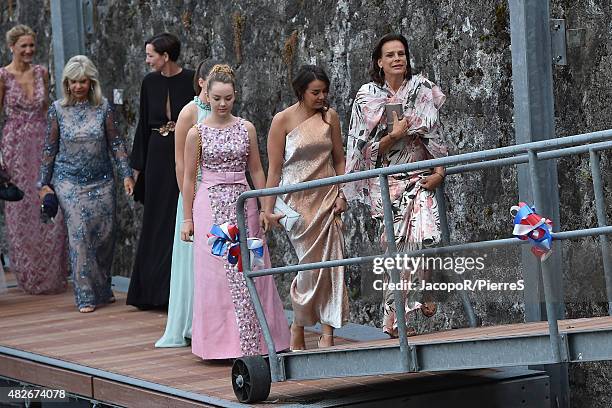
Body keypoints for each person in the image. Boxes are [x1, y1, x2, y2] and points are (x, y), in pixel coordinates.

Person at [181, 64, 290, 359]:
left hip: (244, 203)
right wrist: (188, 218)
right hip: (210, 203)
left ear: (235, 96)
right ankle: (220, 345)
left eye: (227, 98)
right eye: (216, 98)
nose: (222, 104)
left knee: (253, 265)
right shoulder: (196, 133)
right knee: (216, 274)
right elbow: (190, 177)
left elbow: (256, 168)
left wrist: (266, 207)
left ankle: (261, 340)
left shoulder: (247, 127)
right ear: (207, 95)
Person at [345, 33, 448, 337]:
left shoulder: (421, 89)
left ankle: (428, 291)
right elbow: (363, 150)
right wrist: (393, 135)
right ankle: (395, 321)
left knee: (429, 237)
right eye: (390, 55)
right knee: (397, 251)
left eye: (401, 53)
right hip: (386, 181)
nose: (397, 59)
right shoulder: (367, 96)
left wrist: (440, 170)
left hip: (419, 175)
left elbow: (436, 136)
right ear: (379, 61)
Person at [38, 55, 135, 313]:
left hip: (102, 180)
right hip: (67, 180)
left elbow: (116, 143)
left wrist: (126, 174)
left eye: (83, 81)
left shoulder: (103, 107)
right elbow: (49, 147)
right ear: (66, 83)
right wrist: (43, 183)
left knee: (104, 236)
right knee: (79, 235)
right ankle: (85, 294)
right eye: (73, 82)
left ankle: (103, 287)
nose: (78, 86)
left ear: (91, 83)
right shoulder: (57, 109)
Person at [263, 65, 349, 350]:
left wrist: (342, 193)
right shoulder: (282, 120)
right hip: (295, 203)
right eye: (315, 92)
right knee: (310, 267)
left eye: (325, 92)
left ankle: (328, 332)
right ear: (301, 91)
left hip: (326, 198)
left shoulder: (330, 118)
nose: (322, 97)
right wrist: (267, 209)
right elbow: (273, 170)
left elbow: (339, 159)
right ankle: (298, 323)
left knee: (332, 264)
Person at [127, 33, 195, 309]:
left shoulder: (191, 80)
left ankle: (177, 293)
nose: (147, 59)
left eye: (150, 54)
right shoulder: (149, 82)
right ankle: (150, 293)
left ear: (165, 56)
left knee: (178, 216)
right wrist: (136, 170)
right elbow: (143, 124)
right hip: (156, 155)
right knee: (155, 219)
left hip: (183, 153)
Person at [0, 24, 68, 295]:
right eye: (23, 46)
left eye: (32, 45)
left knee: (50, 202)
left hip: (42, 141)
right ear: (12, 47)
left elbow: (47, 111)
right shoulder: (3, 76)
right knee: (20, 210)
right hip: (14, 145)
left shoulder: (42, 72)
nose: (29, 50)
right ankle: (28, 274)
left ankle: (51, 273)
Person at [155, 59, 215, 347]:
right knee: (192, 259)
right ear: (201, 81)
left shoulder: (221, 109)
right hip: (195, 189)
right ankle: (190, 322)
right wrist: (188, 201)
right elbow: (180, 161)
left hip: (219, 189)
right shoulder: (189, 112)